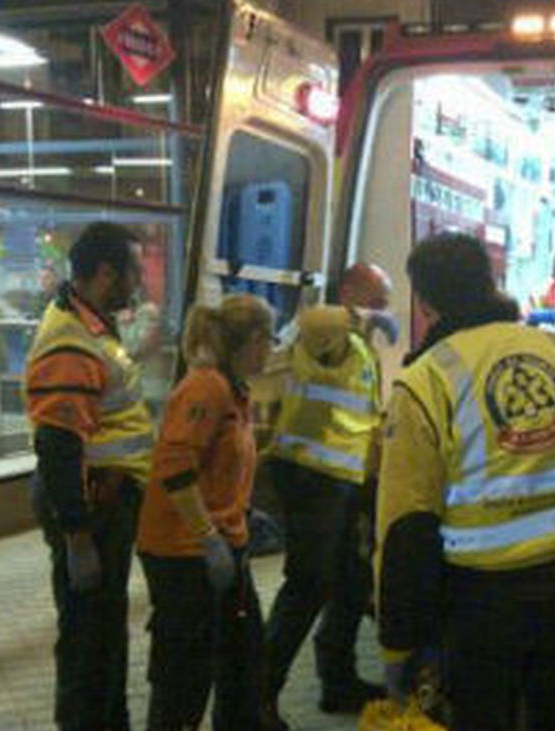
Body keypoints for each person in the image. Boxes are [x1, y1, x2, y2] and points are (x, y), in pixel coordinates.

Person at [375, 231, 555, 731]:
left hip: (479, 608)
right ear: (491, 282)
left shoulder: (426, 381)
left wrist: (399, 644)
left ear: (426, 301)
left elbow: (405, 527)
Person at [25, 222, 154, 731]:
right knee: (86, 637)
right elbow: (58, 444)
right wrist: (77, 534)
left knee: (103, 631)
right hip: (91, 507)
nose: (139, 281)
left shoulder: (91, 325)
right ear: (106, 274)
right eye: (133, 271)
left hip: (106, 502)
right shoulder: (71, 342)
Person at [136, 294, 277, 731]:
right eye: (269, 340)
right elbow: (175, 466)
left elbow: (222, 467)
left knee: (243, 657)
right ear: (252, 340)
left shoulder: (234, 389)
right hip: (184, 552)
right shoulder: (206, 387)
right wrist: (207, 536)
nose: (271, 349)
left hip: (221, 543)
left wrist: (240, 515)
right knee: (185, 672)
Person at [263, 263, 396, 719]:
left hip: (343, 480)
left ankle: (338, 682)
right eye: (376, 300)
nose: (383, 311)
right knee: (307, 585)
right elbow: (312, 319)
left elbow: (363, 418)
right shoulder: (324, 332)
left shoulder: (357, 347)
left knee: (351, 581)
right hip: (309, 476)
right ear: (349, 292)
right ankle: (256, 698)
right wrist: (365, 317)